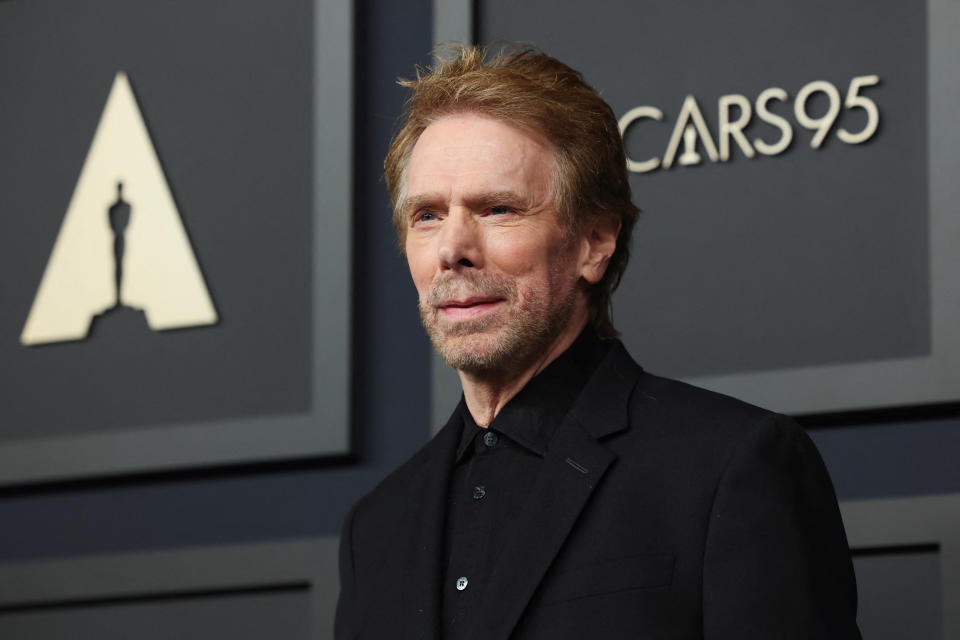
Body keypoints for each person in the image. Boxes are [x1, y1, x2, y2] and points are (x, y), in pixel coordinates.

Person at [335, 45, 861, 639]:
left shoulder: (730, 467)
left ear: (594, 242)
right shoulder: (374, 528)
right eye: (427, 215)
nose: (453, 248)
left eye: (499, 208)